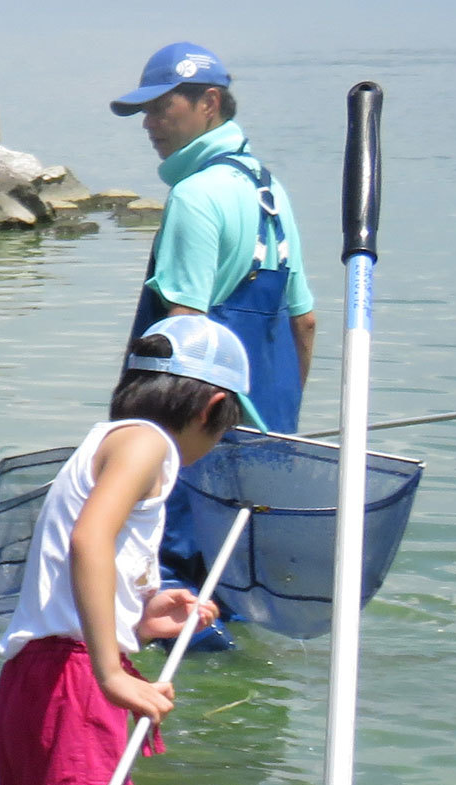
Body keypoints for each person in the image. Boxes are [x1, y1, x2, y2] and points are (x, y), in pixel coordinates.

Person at [0, 315, 252, 785]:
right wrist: (112, 669)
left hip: (34, 677)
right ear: (210, 408)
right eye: (223, 430)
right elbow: (89, 538)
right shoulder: (150, 445)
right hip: (73, 682)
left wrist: (139, 620)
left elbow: (77, 570)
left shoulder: (106, 440)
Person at [111, 42, 317, 613]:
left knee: (173, 594)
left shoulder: (195, 195)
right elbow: (304, 322)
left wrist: (148, 453)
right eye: (143, 113)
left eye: (161, 107)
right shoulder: (270, 190)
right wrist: (279, 425)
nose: (149, 124)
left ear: (210, 102)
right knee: (241, 586)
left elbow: (184, 333)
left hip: (195, 439)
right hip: (266, 438)